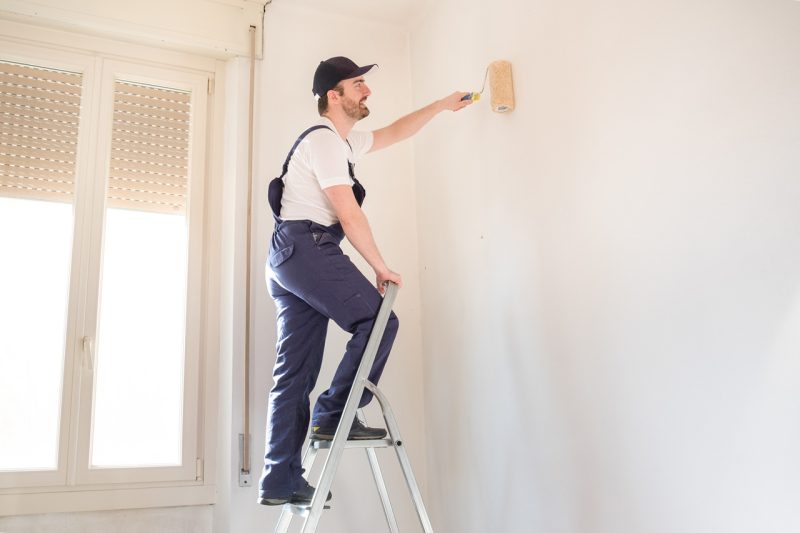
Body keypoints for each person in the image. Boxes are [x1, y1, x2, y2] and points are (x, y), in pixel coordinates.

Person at [258, 56, 472, 506]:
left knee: (294, 372)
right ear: (333, 96)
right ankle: (334, 415)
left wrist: (440, 106)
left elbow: (395, 132)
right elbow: (348, 211)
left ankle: (280, 479)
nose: (367, 91)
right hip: (307, 247)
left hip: (289, 255)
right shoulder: (324, 142)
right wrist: (380, 265)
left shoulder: (344, 143)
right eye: (358, 84)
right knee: (380, 322)